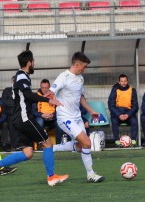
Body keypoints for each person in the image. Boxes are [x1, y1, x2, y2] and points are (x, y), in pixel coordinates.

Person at [0, 50, 68, 186]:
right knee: (47, 143)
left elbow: (26, 95)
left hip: (18, 119)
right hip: (24, 118)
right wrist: (47, 100)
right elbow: (28, 96)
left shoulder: (22, 76)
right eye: (33, 62)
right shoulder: (22, 77)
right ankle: (51, 177)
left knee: (28, 153)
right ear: (29, 63)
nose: (34, 64)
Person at [49, 52, 105, 183]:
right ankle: (91, 174)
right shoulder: (64, 77)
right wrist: (54, 101)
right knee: (87, 143)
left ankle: (53, 148)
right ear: (76, 64)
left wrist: (91, 111)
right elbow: (50, 93)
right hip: (65, 118)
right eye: (84, 66)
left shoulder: (80, 78)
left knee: (82, 147)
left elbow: (80, 98)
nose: (85, 69)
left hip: (77, 117)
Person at [108, 74, 138, 147]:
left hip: (128, 113)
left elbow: (135, 106)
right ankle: (117, 141)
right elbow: (111, 105)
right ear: (119, 82)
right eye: (122, 81)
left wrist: (128, 114)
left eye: (125, 81)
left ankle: (133, 141)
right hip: (117, 112)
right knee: (114, 121)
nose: (123, 83)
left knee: (134, 121)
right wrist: (119, 115)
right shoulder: (115, 90)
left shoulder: (132, 90)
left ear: (127, 81)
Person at [32, 79, 63, 144]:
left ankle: (58, 144)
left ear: (49, 87)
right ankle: (41, 143)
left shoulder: (54, 96)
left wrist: (53, 115)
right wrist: (41, 115)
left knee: (60, 122)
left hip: (52, 119)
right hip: (41, 118)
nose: (44, 89)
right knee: (39, 121)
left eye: (46, 88)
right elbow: (33, 111)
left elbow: (60, 109)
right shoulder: (36, 96)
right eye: (43, 88)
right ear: (40, 87)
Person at [1, 76, 18, 151]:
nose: (15, 83)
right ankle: (14, 145)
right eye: (14, 81)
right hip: (9, 114)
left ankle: (21, 144)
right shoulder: (6, 90)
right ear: (11, 81)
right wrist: (16, 105)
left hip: (19, 113)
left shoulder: (21, 91)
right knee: (11, 123)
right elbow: (5, 102)